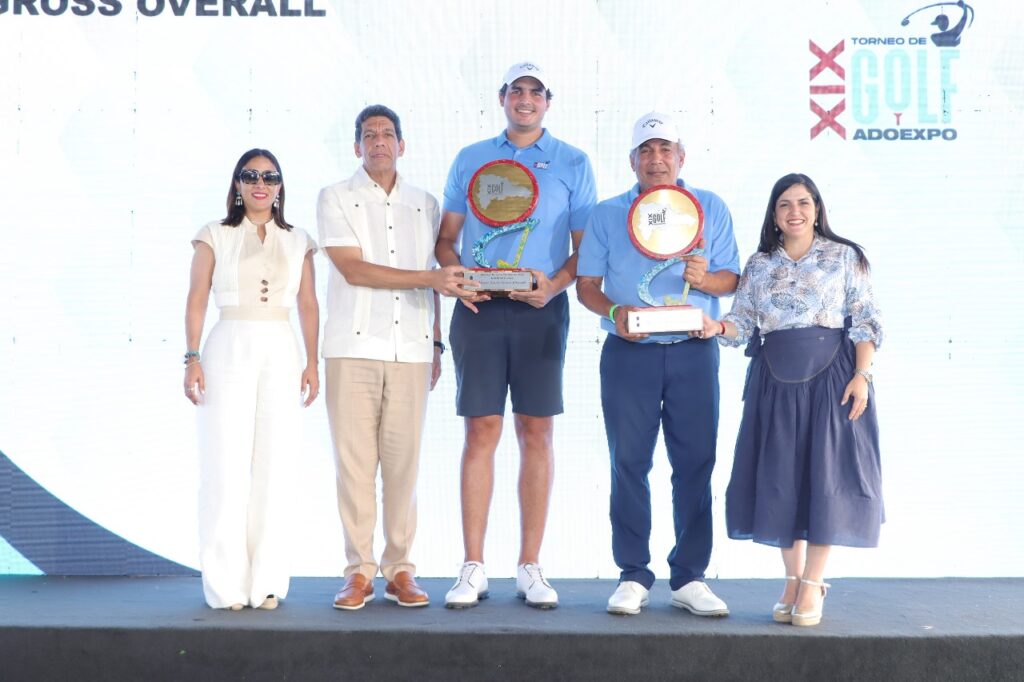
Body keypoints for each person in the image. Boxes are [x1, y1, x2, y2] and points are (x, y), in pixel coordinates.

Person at [435, 61, 597, 609]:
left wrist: (553, 287)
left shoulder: (573, 162)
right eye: (516, 91)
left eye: (536, 92)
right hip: (479, 310)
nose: (525, 100)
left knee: (536, 431)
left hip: (540, 311)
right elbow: (446, 239)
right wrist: (458, 278)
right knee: (480, 431)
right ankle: (473, 566)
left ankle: (530, 566)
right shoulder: (471, 158)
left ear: (548, 101)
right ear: (502, 97)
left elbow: (584, 250)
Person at [699, 172, 884, 627]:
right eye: (784, 204)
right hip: (774, 380)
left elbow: (866, 318)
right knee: (780, 479)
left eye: (803, 202)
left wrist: (862, 375)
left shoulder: (845, 256)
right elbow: (742, 322)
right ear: (774, 214)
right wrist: (716, 327)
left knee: (826, 478)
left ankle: (814, 582)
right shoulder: (759, 264)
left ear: (817, 209)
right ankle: (792, 579)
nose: (794, 211)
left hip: (832, 379)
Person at [576, 112, 739, 617]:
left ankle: (690, 576)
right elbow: (587, 286)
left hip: (693, 350)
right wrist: (614, 313)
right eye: (646, 151)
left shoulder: (710, 207)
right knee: (628, 463)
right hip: (629, 354)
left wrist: (705, 279)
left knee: (696, 463)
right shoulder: (607, 214)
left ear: (681, 157)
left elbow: (732, 279)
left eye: (666, 149)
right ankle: (633, 574)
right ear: (632, 161)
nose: (656, 159)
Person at [319, 105, 474, 611]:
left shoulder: (424, 204)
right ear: (357, 146)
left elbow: (437, 278)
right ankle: (358, 572)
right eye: (370, 135)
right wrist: (430, 279)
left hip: (411, 349)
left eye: (388, 134)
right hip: (351, 348)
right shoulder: (334, 197)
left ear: (402, 145)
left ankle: (400, 569)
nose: (379, 142)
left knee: (404, 466)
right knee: (355, 467)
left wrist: (435, 342)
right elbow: (354, 269)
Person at [184, 148, 320, 611]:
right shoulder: (214, 235)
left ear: (280, 186)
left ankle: (267, 581)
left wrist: (312, 363)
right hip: (228, 346)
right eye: (251, 175)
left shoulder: (299, 240)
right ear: (237, 184)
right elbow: (196, 297)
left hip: (282, 347)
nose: (261, 183)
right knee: (224, 465)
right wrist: (192, 357)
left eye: (270, 176)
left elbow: (308, 304)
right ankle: (225, 585)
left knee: (276, 466)